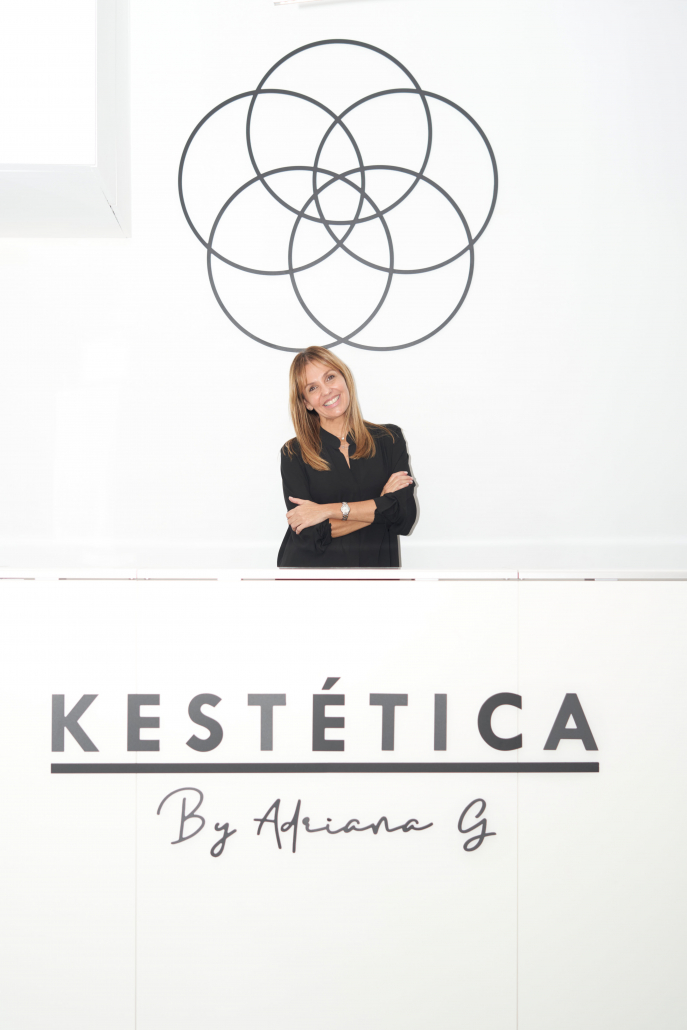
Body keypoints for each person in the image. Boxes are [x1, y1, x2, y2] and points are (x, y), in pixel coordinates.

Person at [277, 346, 417, 568]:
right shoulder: (293, 453)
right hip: (312, 580)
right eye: (313, 388)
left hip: (377, 578)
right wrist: (381, 504)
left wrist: (325, 511)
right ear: (306, 402)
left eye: (330, 377)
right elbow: (309, 535)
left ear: (345, 378)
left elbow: (404, 517)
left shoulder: (389, 439)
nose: (326, 391)